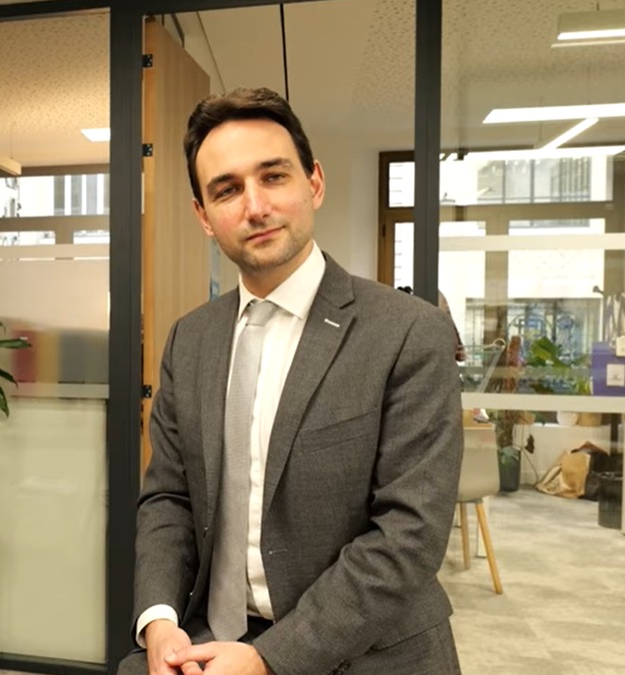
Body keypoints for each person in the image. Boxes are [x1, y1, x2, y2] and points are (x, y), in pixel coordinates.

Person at [121, 88, 464, 675]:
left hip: (366, 654)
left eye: (273, 176)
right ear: (204, 217)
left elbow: (408, 534)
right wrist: (159, 619)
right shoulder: (190, 339)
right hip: (209, 644)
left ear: (315, 184)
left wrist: (269, 660)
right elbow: (169, 498)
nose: (255, 206)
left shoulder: (408, 333)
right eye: (227, 190)